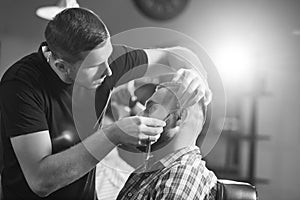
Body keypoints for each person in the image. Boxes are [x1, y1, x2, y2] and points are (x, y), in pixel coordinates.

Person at [0, 7, 206, 200]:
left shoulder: (107, 63)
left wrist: (195, 77)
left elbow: (175, 55)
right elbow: (41, 180)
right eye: (96, 65)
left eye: (108, 57)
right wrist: (112, 135)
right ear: (61, 66)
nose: (109, 71)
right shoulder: (21, 86)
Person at [116, 79, 217, 200]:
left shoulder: (183, 174)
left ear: (179, 117)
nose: (139, 116)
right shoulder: (152, 170)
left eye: (150, 109)